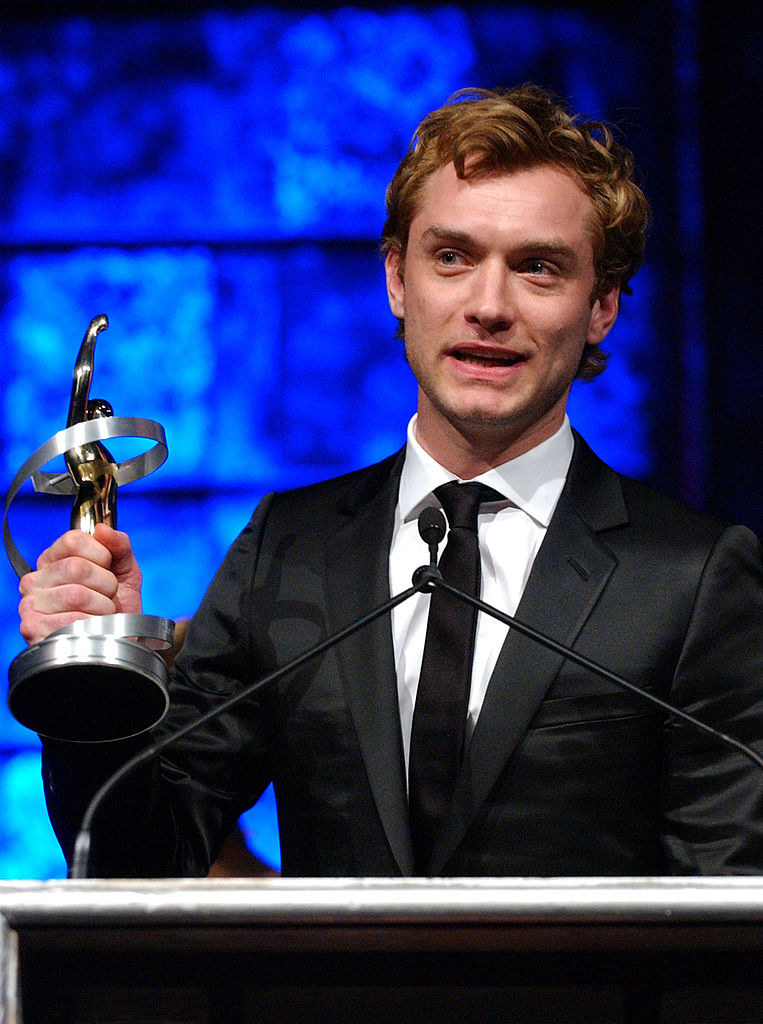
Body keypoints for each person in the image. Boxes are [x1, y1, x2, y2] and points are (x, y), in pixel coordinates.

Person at [19, 85, 762, 878]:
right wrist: (95, 676)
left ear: (602, 307)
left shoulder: (694, 576)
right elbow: (140, 861)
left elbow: (727, 902)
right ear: (397, 282)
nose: (488, 305)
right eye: (451, 257)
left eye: (537, 268)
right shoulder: (289, 546)